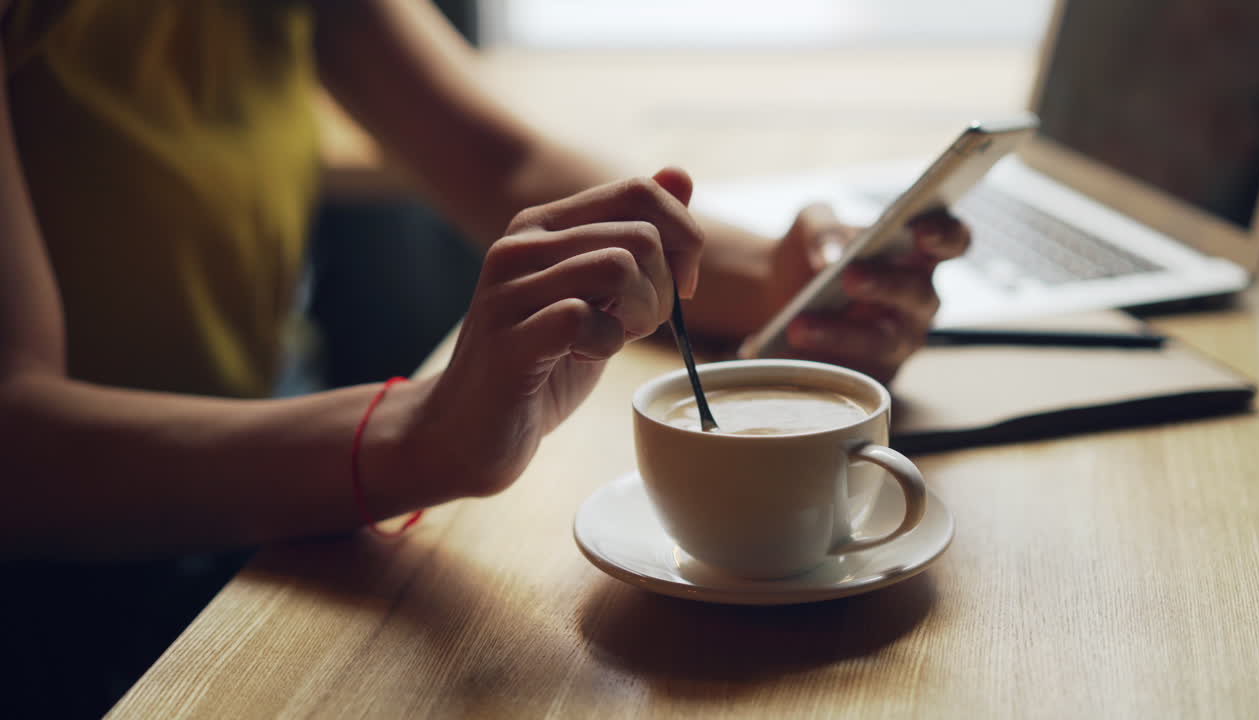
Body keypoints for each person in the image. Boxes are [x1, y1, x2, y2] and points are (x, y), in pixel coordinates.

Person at [0, 0, 969, 714]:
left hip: (266, 452)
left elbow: (494, 159)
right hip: (82, 569)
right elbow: (19, 453)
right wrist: (425, 435)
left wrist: (785, 281)